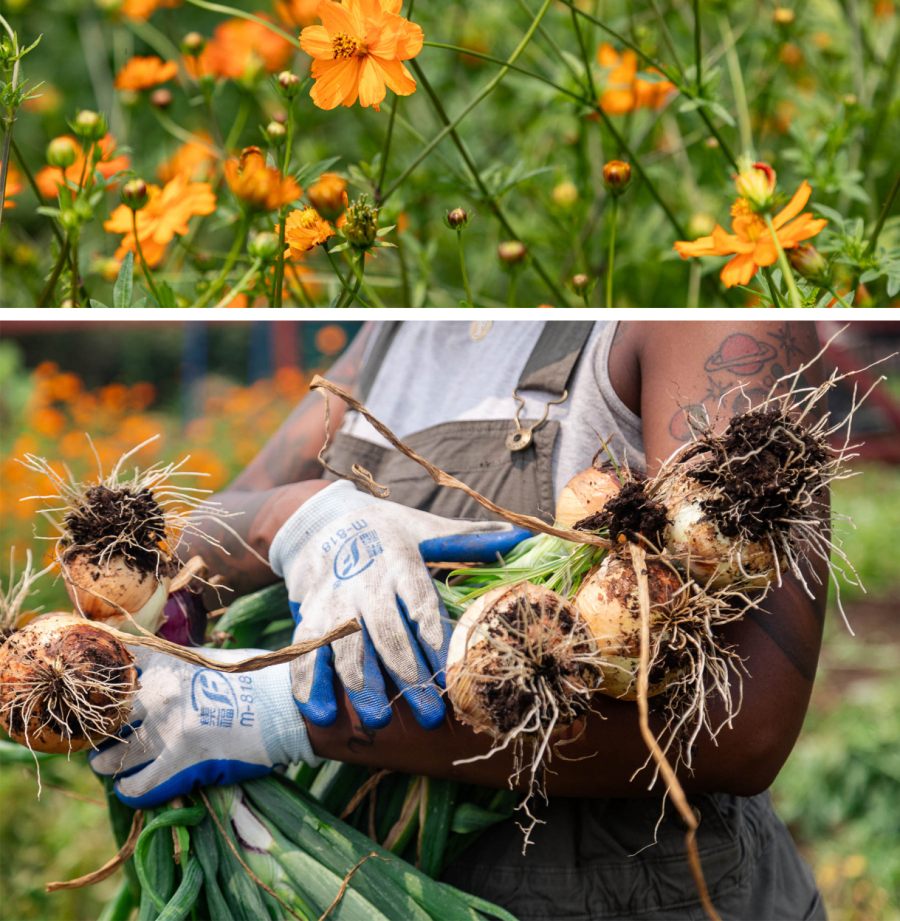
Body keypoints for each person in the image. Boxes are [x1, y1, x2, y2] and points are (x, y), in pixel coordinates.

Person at [92, 320, 828, 920]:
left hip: (625, 892)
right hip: (385, 875)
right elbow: (187, 537)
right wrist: (299, 513)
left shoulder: (703, 324)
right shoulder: (393, 336)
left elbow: (742, 723)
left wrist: (277, 712)